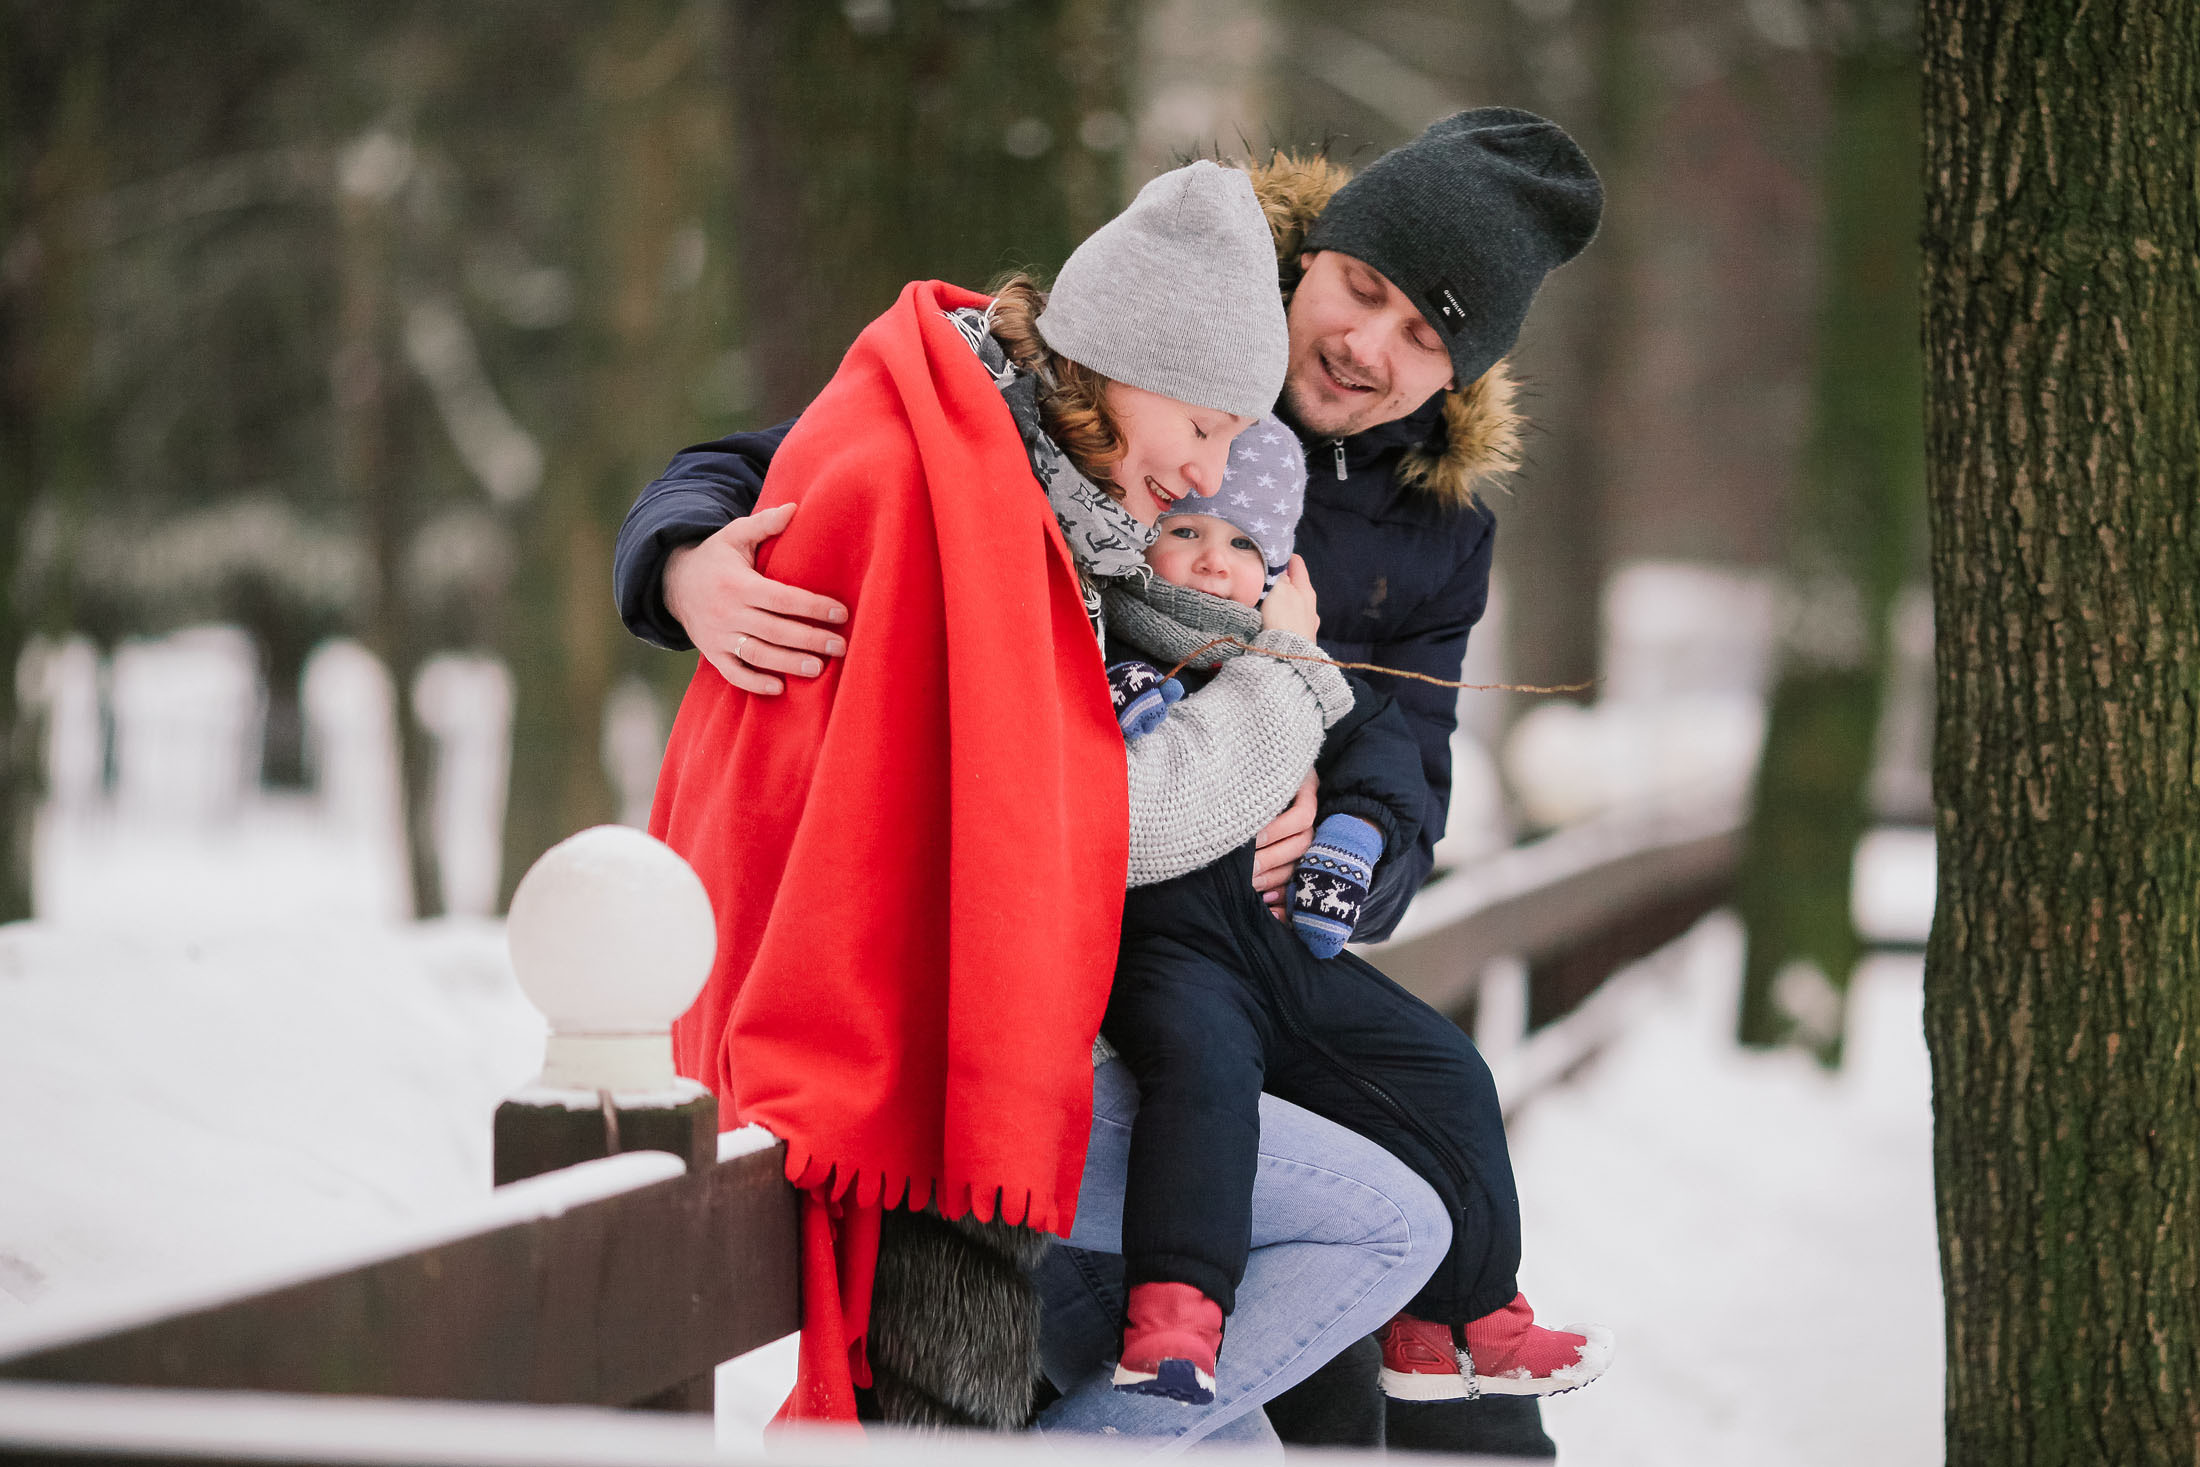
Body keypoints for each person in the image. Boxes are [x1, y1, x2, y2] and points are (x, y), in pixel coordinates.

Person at [620, 109, 1604, 1454]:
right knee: (1306, 1298)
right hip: (1092, 962)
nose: (1371, 345)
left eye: (1428, 339)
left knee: (1430, 1157)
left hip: (1239, 931)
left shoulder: (1433, 527)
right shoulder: (1145, 352)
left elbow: (1403, 747)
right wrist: (682, 552)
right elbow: (808, 461)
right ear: (1309, 259)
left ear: (1460, 375)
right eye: (1363, 290)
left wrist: (1353, 833)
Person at [1093, 424, 1612, 1409]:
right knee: (1203, 1085)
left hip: (1285, 948)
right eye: (1188, 528)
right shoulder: (1110, 638)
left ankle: (1461, 1319)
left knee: (1446, 1069)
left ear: (1277, 568)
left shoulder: (1304, 667)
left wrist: (1351, 842)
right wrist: (1119, 694)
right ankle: (1173, 1320)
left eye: (1244, 544)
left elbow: (1383, 763)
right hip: (1165, 954)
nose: (1214, 558)